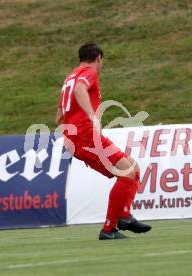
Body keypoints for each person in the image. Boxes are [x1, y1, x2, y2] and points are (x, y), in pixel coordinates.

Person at [56, 42, 152, 239]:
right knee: (127, 173)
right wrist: (91, 116)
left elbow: (58, 117)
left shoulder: (69, 78)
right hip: (86, 136)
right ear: (99, 57)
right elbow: (79, 91)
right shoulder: (88, 72)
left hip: (76, 138)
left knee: (132, 168)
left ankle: (123, 216)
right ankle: (110, 227)